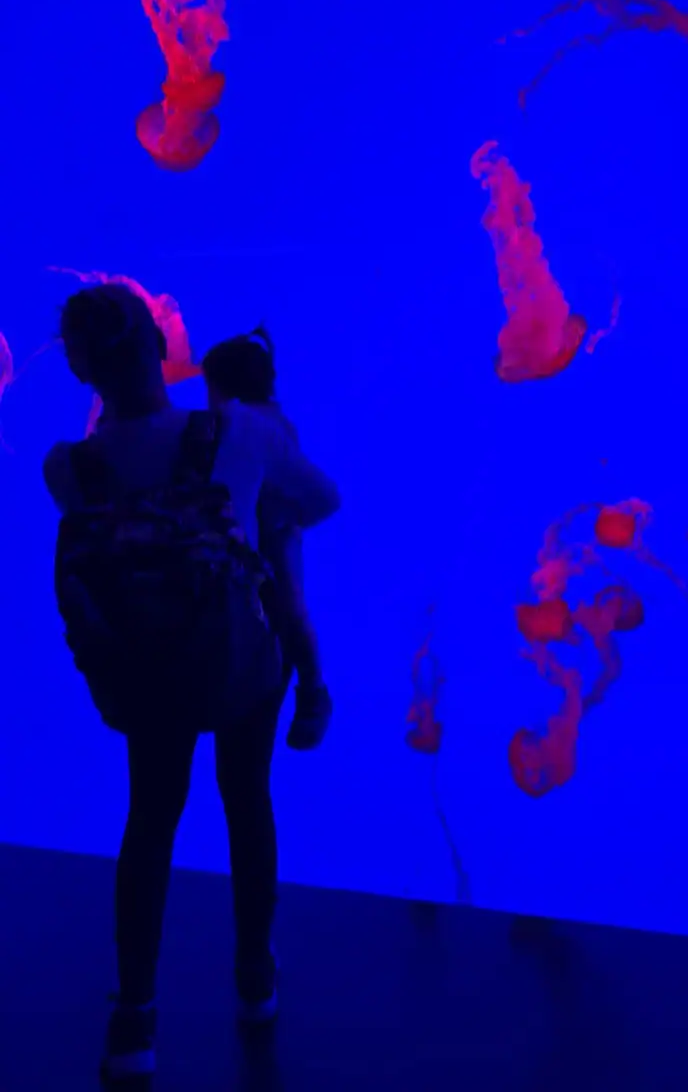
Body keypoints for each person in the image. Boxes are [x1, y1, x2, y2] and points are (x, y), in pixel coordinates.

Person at [43, 284, 340, 1083]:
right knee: (246, 802)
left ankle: (135, 1020)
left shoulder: (70, 468)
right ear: (155, 340)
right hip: (238, 664)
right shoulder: (237, 431)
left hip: (145, 676)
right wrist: (256, 511)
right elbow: (322, 500)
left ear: (80, 367)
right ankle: (253, 982)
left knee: (151, 819)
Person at [202, 326, 333, 751]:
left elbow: (316, 493)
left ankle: (314, 692)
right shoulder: (256, 422)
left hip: (276, 536)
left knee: (291, 609)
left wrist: (289, 520)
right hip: (253, 539)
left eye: (211, 388)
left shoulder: (259, 425)